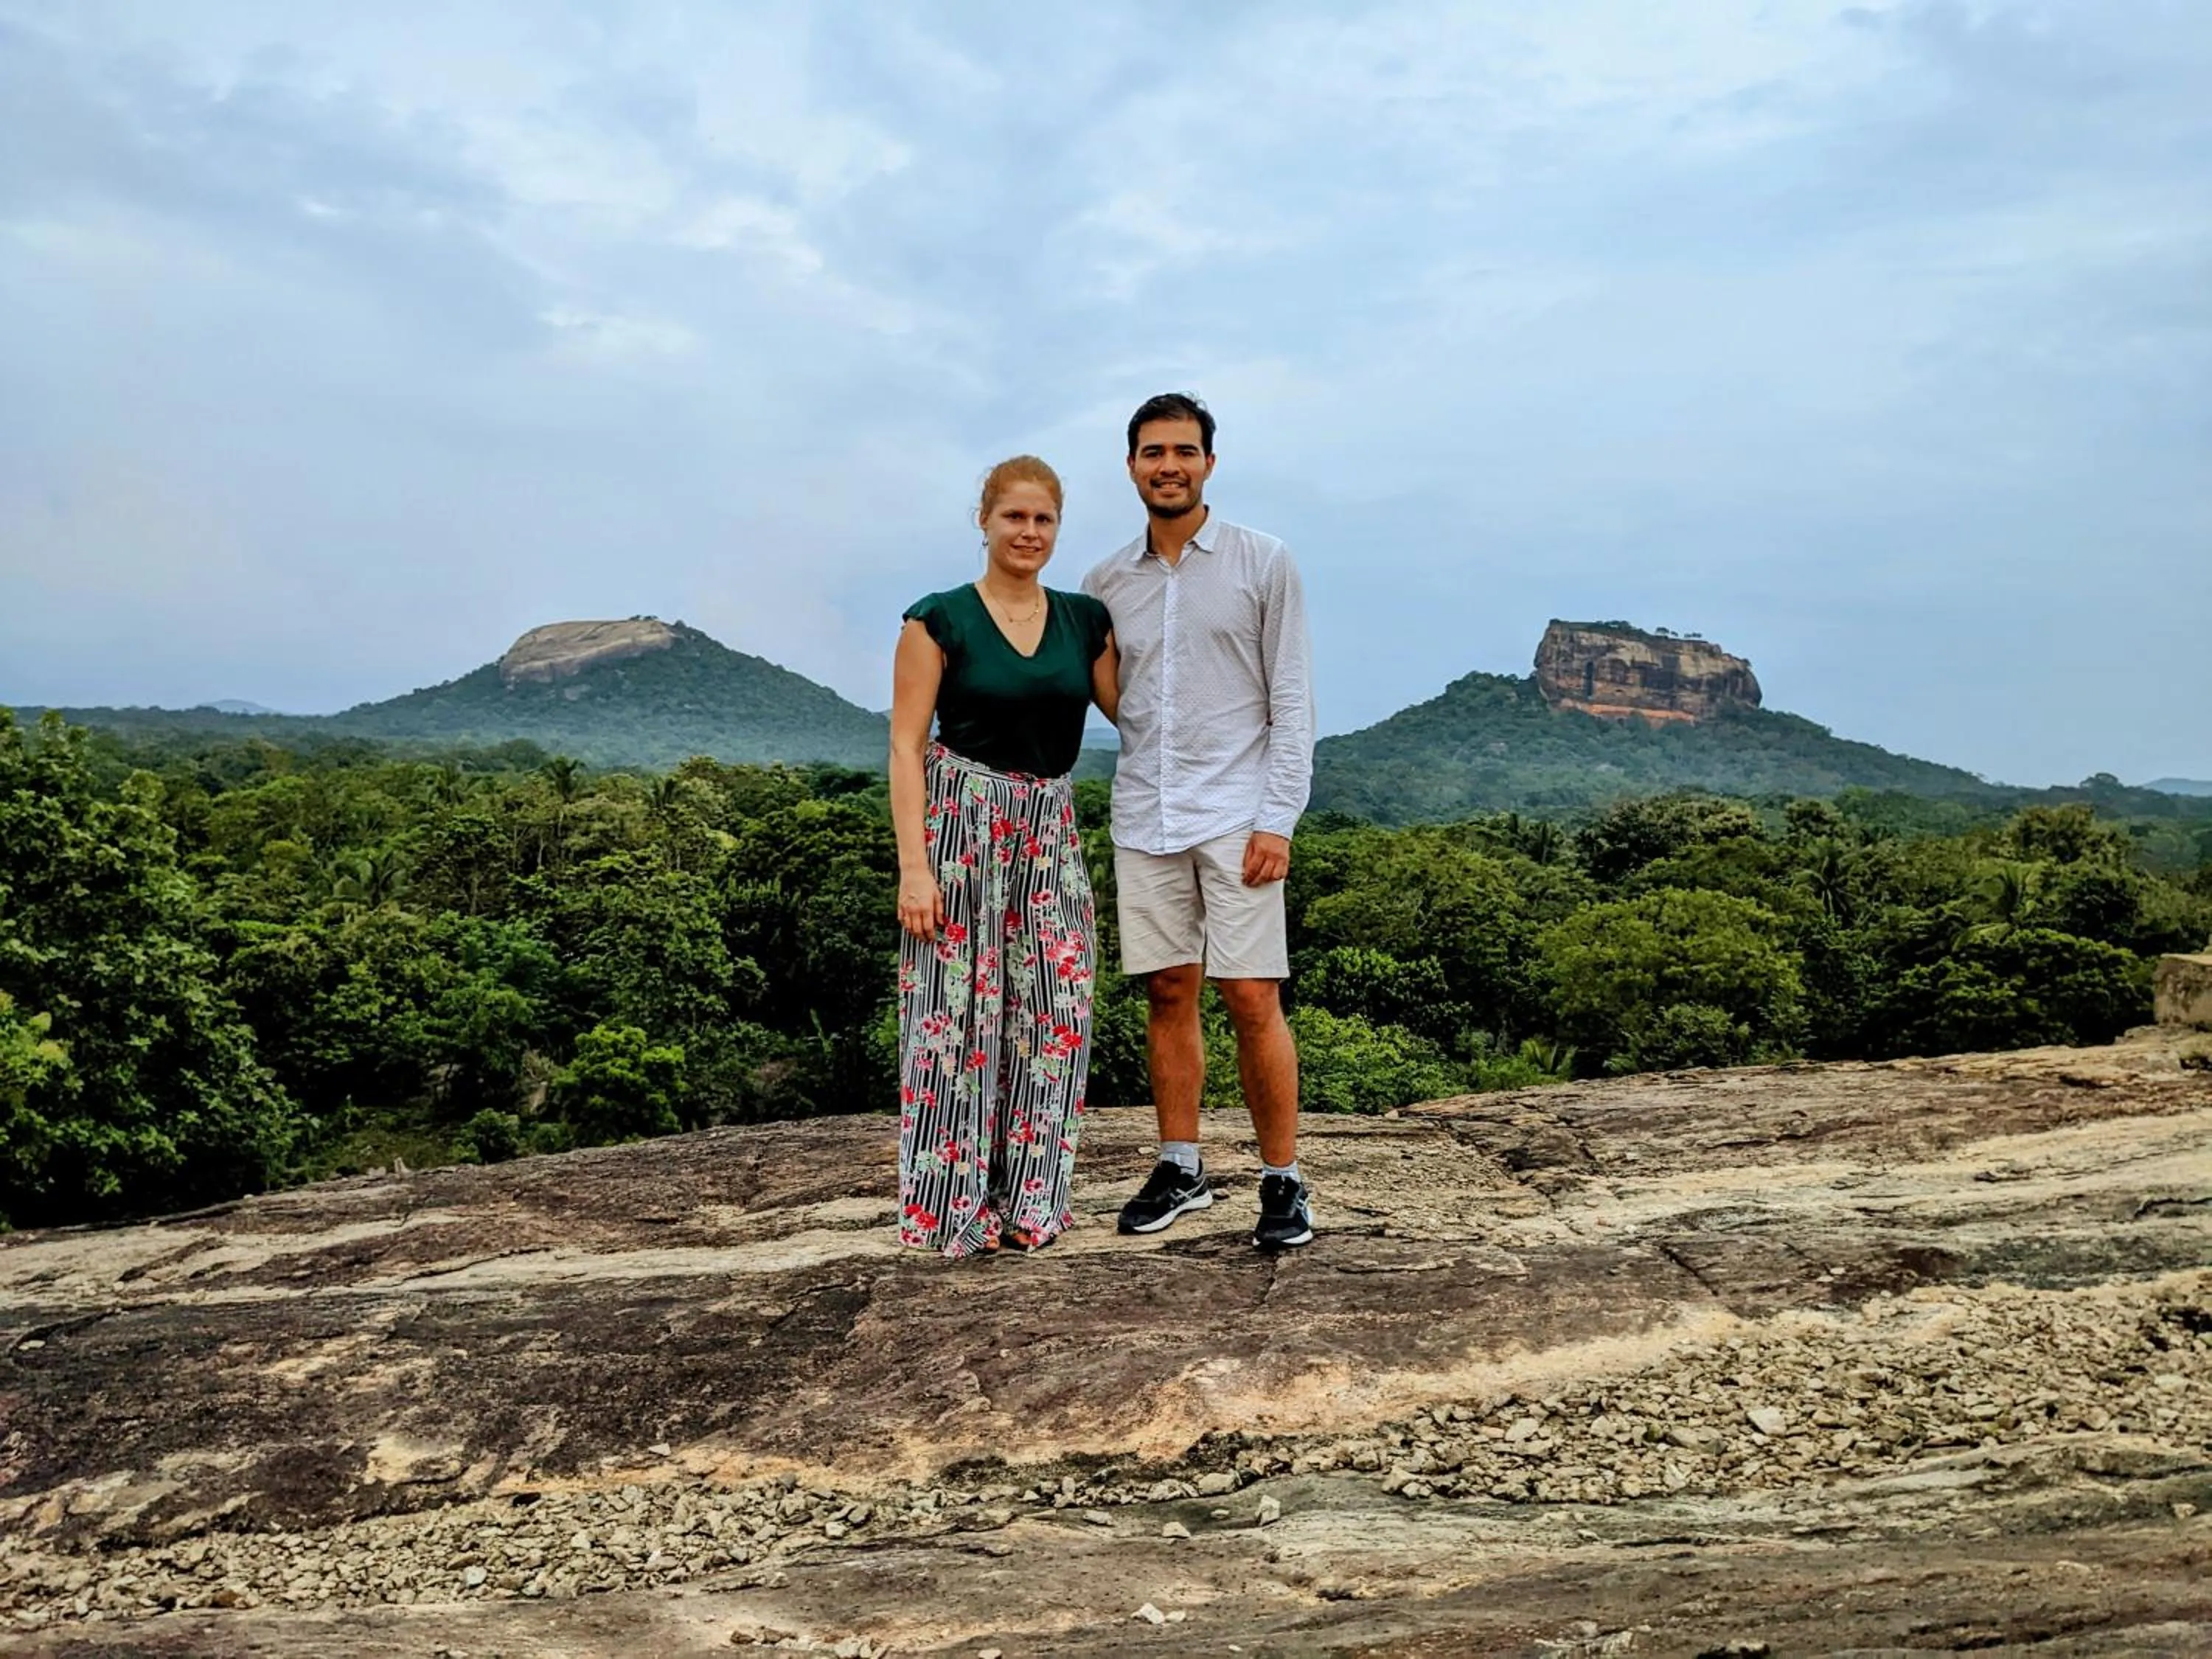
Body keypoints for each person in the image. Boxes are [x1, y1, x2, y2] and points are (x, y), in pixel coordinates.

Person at [1081, 393, 1317, 1251]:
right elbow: (1120, 698)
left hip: (1238, 812)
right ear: (1132, 466)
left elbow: (1291, 697)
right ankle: (1181, 1166)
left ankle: (1283, 1179)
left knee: (1252, 994)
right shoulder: (1107, 582)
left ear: (1210, 463)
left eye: (1184, 450)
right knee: (1167, 991)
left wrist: (1278, 818)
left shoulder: (1263, 561)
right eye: (1152, 452)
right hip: (1146, 809)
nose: (1168, 465)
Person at [888, 456, 1119, 1259]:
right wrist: (915, 867)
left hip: (1049, 823)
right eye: (1014, 517)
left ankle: (1032, 1202)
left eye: (1044, 520)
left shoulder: (1084, 621)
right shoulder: (938, 619)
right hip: (962, 821)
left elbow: (1147, 714)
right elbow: (905, 745)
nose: (1029, 533)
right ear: (984, 521)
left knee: (1054, 1010)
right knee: (957, 1016)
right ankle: (950, 1209)